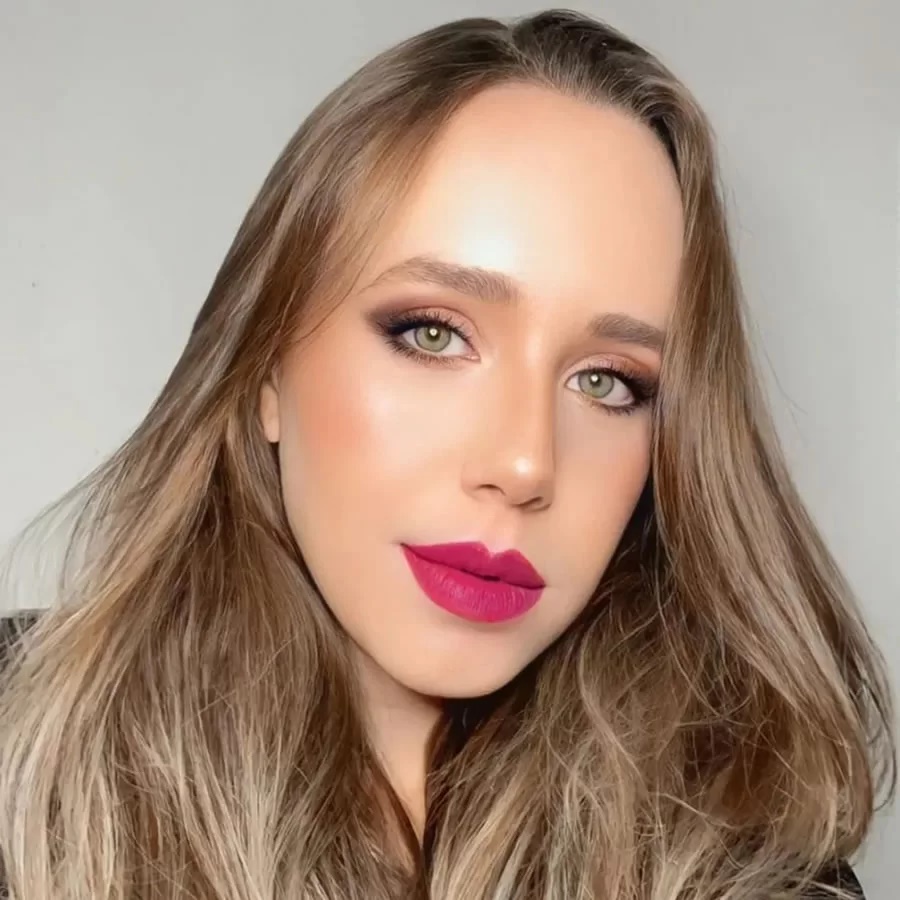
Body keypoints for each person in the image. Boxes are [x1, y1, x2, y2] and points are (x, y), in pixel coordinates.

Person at [0, 8, 894, 899]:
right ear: (267, 366)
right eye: (433, 334)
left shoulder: (749, 870)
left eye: (608, 382)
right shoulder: (25, 753)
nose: (524, 464)